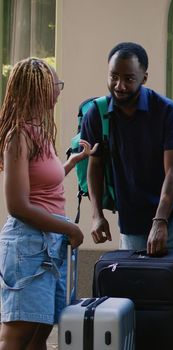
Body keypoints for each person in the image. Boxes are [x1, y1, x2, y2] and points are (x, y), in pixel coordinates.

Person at [0, 57, 92, 349]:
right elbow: (18, 205)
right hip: (28, 245)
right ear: (39, 89)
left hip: (47, 243)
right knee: (19, 332)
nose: (59, 90)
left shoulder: (40, 131)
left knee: (40, 329)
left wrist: (70, 163)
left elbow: (42, 184)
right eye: (56, 84)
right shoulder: (19, 136)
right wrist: (70, 229)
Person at [83, 42, 173, 256]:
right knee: (135, 288)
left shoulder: (167, 111)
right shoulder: (97, 114)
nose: (119, 85)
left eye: (128, 79)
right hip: (132, 222)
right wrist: (97, 215)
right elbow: (95, 165)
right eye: (113, 77)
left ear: (144, 78)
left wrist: (160, 221)